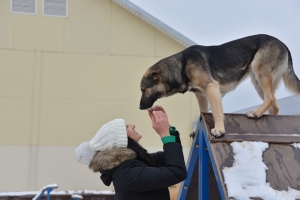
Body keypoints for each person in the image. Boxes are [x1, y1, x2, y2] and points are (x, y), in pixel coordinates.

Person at [75, 105, 187, 200]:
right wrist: (164, 133)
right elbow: (177, 172)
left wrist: (167, 128)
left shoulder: (134, 163)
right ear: (121, 141)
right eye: (126, 127)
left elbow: (172, 157)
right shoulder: (127, 173)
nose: (133, 125)